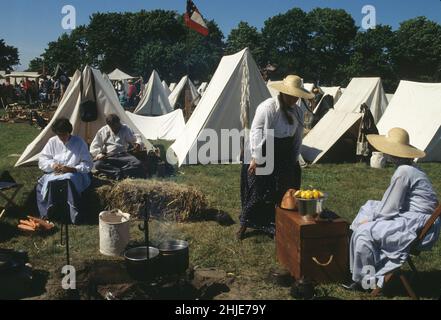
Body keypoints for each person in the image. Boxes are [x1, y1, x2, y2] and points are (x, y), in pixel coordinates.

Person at [344, 128, 441, 291]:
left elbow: (390, 208)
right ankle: (354, 250)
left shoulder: (404, 171)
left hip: (418, 225)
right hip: (419, 219)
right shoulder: (410, 168)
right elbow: (392, 203)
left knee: (364, 232)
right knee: (369, 206)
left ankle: (365, 281)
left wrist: (372, 220)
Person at [237, 75, 314, 240]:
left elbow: (297, 138)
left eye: (296, 96)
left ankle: (277, 222)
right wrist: (257, 158)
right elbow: (256, 132)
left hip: (284, 154)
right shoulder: (268, 108)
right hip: (264, 151)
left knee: (285, 189)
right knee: (257, 189)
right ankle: (246, 223)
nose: (294, 99)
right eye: (291, 95)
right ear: (284, 93)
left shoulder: (298, 112)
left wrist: (295, 159)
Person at [37, 118, 93, 224]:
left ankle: (73, 214)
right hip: (55, 173)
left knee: (68, 179)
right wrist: (53, 165)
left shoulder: (79, 142)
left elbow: (88, 164)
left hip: (75, 174)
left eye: (64, 134)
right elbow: (43, 159)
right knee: (46, 182)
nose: (62, 137)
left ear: (69, 131)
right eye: (59, 135)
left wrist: (73, 169)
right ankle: (48, 213)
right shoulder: (52, 142)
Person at [90, 114, 144, 180]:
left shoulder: (125, 128)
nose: (116, 128)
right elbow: (94, 146)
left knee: (137, 163)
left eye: (117, 125)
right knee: (98, 165)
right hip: (108, 156)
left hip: (123, 155)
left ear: (119, 122)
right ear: (109, 125)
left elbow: (135, 137)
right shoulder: (103, 130)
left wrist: (138, 143)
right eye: (113, 126)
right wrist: (99, 154)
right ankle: (118, 172)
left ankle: (117, 172)